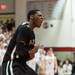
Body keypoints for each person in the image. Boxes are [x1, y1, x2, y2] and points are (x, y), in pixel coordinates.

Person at [2, 9, 44, 75]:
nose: (42, 18)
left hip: (22, 64)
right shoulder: (24, 28)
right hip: (12, 62)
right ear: (31, 17)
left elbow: (28, 57)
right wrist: (33, 51)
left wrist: (32, 53)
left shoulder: (32, 34)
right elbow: (19, 52)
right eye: (39, 15)